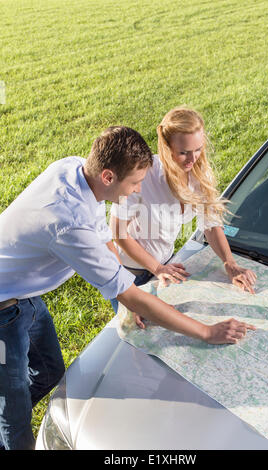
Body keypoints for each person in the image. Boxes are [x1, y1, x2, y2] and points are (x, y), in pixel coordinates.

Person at [0, 125, 255, 450]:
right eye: (134, 183)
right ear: (108, 176)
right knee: (14, 415)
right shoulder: (68, 225)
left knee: (49, 371)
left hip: (24, 297)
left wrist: (123, 296)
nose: (137, 192)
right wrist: (207, 332)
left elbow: (105, 237)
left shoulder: (74, 168)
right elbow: (132, 294)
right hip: (3, 315)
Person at [110, 107, 257, 327]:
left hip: (163, 269)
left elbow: (210, 224)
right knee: (134, 338)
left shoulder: (199, 174)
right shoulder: (142, 175)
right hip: (128, 275)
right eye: (184, 152)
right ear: (166, 146)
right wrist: (154, 271)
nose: (193, 158)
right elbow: (118, 234)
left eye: (198, 149)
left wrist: (229, 263)